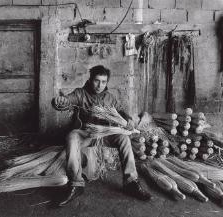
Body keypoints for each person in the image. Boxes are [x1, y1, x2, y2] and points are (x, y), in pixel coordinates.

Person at [53, 65, 152, 206]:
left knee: (123, 138)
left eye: (103, 82)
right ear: (90, 79)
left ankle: (131, 182)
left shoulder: (109, 98)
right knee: (72, 136)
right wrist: (59, 102)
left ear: (107, 82)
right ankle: (76, 184)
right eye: (96, 80)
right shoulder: (80, 93)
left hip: (105, 134)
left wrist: (128, 119)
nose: (100, 85)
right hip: (86, 134)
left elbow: (121, 110)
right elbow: (67, 101)